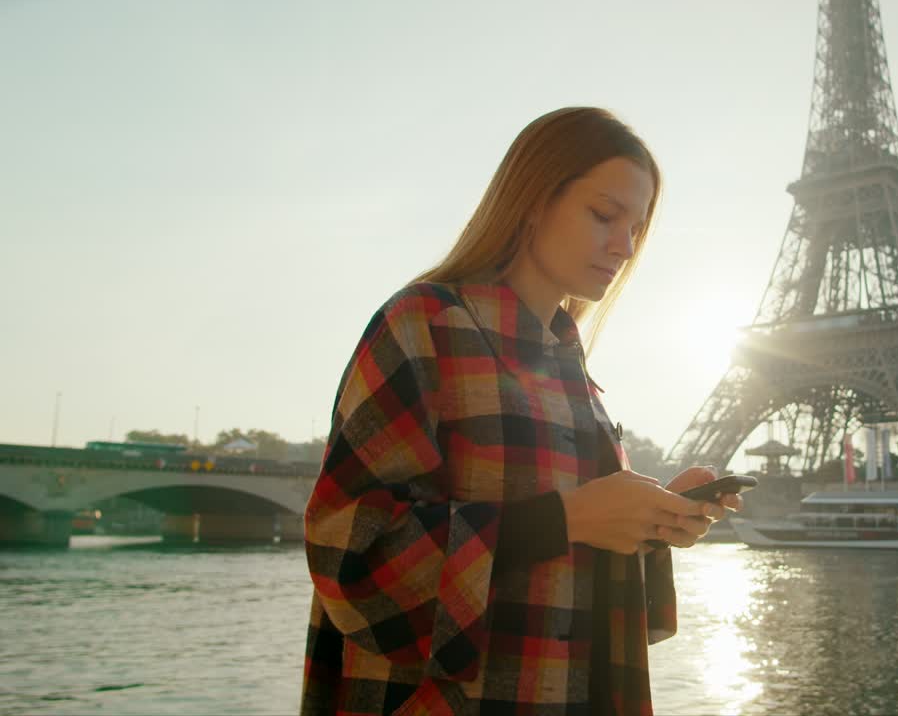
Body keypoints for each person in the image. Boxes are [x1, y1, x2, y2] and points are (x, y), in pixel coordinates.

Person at [300, 106, 743, 716]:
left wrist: (652, 521)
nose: (626, 246)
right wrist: (569, 520)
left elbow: (562, 567)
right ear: (533, 199)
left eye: (637, 227)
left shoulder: (572, 366)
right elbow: (345, 552)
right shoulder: (422, 325)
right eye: (604, 215)